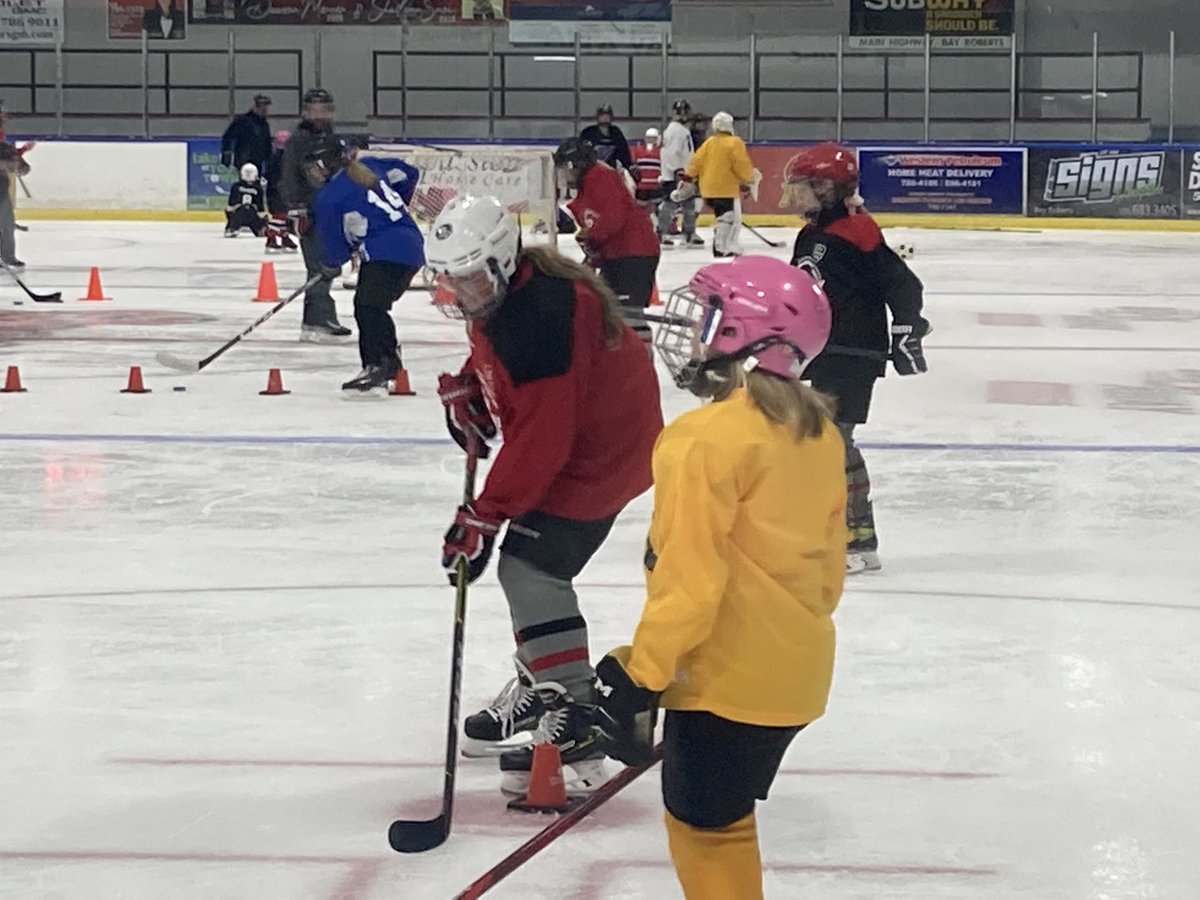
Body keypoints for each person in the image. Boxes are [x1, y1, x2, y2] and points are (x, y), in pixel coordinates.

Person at [592, 254, 844, 900]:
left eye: (706, 319)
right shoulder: (817, 432)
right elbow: (827, 576)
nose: (692, 334)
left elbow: (690, 578)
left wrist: (642, 673)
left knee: (706, 834)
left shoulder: (703, 438)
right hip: (794, 675)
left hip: (725, 686)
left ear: (746, 337)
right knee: (725, 821)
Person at [425, 195, 662, 796]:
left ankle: (577, 716)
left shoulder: (541, 311)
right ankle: (545, 687)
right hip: (590, 444)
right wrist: (474, 389)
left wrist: (483, 515)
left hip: (600, 457)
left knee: (532, 571)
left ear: (502, 262)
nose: (464, 292)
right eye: (453, 281)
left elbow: (543, 437)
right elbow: (506, 365)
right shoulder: (514, 295)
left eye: (472, 278)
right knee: (528, 570)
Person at [781, 142, 930, 574]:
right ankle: (839, 534)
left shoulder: (856, 232)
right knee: (819, 440)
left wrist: (906, 330)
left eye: (803, 188)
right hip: (825, 349)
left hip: (854, 351)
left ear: (827, 188)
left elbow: (904, 286)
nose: (794, 196)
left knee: (833, 440)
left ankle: (857, 541)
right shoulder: (812, 234)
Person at [307, 136, 425, 393]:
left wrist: (330, 265)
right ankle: (385, 360)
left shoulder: (329, 197)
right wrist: (394, 206)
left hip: (386, 252)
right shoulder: (370, 165)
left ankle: (380, 365)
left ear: (325, 163)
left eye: (313, 166)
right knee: (372, 306)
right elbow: (409, 173)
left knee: (368, 307)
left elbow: (335, 249)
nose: (312, 173)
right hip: (411, 245)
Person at [553, 137, 660, 349]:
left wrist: (592, 239)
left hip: (634, 254)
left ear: (576, 164)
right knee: (610, 312)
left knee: (627, 314)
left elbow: (613, 219)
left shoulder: (600, 176)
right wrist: (592, 257)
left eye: (565, 168)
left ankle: (641, 360)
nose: (563, 175)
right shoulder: (587, 185)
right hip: (619, 256)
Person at [279, 88, 351, 341]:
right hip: (310, 212)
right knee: (319, 266)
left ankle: (317, 319)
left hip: (330, 211)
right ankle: (316, 320)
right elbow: (288, 178)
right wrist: (296, 209)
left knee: (327, 266)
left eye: (324, 109)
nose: (319, 114)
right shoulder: (298, 141)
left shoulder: (331, 138)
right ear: (305, 112)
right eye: (314, 109)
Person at [673, 112, 759, 259]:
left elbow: (696, 161)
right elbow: (741, 164)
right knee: (728, 217)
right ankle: (722, 246)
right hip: (726, 188)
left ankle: (726, 244)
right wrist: (749, 178)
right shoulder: (734, 142)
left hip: (707, 188)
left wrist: (688, 176)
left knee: (725, 216)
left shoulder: (709, 143)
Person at [657, 99, 703, 249]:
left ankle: (688, 232)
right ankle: (661, 232)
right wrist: (678, 170)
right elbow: (671, 153)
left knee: (689, 204)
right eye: (680, 112)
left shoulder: (681, 130)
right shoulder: (675, 130)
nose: (683, 115)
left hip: (684, 173)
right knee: (670, 203)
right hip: (675, 174)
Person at [263, 130, 298, 253]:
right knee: (280, 215)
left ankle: (283, 236)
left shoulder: (281, 157)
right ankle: (271, 238)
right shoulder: (280, 159)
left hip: (278, 191)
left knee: (284, 215)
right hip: (278, 192)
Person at [220, 94, 273, 175]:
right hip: (244, 159)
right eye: (263, 107)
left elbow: (267, 144)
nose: (266, 110)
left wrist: (268, 161)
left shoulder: (264, 124)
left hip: (257, 160)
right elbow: (229, 137)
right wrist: (227, 153)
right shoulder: (242, 121)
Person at [0, 141, 29, 271]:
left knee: (8, 226)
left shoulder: (6, 148)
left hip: (2, 195)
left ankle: (8, 257)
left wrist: (14, 162)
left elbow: (23, 169)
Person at [578, 104, 632, 172]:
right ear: (597, 117)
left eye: (607, 115)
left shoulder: (616, 133)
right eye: (602, 115)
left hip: (611, 172)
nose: (605, 117)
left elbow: (624, 153)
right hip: (592, 171)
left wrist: (627, 167)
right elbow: (582, 153)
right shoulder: (588, 133)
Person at [224, 163, 268, 238]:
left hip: (253, 215)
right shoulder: (236, 186)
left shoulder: (258, 189)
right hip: (238, 213)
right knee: (236, 214)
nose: (248, 175)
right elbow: (230, 206)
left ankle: (259, 229)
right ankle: (232, 228)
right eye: (246, 172)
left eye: (250, 172)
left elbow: (260, 208)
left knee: (262, 229)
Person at [631, 127, 663, 213]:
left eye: (653, 138)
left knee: (658, 209)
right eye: (648, 138)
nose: (650, 140)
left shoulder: (662, 151)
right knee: (640, 210)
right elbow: (633, 166)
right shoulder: (637, 150)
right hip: (642, 186)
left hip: (656, 186)